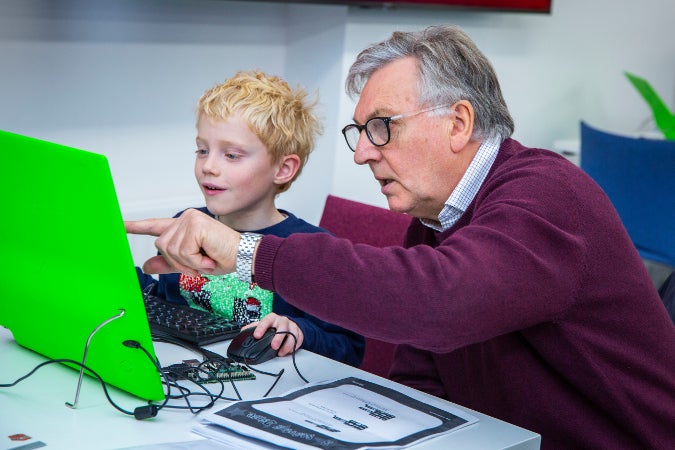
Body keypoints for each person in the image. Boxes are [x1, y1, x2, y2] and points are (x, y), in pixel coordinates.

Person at [126, 26, 675, 449]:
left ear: (458, 123)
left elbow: (438, 302)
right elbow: (421, 372)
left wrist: (245, 252)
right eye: (359, 133)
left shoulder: (545, 192)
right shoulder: (435, 219)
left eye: (382, 127)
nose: (363, 152)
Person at [135, 69, 364, 367]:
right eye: (202, 150)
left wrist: (301, 332)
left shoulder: (310, 249)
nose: (209, 166)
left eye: (231, 155)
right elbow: (169, 307)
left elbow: (349, 347)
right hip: (189, 372)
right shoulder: (186, 225)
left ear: (283, 169)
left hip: (267, 383)